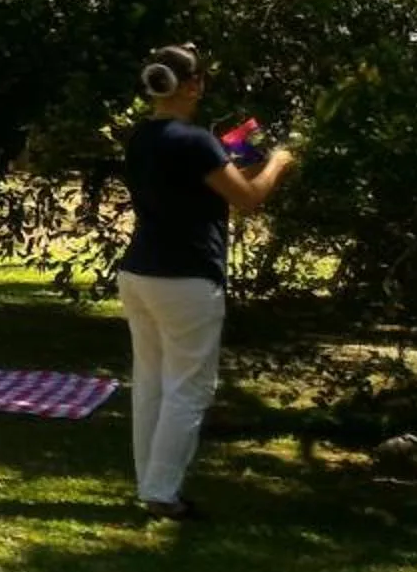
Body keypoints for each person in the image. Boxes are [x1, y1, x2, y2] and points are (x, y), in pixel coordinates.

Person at [118, 44, 296, 519]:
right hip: (186, 277)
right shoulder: (196, 141)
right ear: (192, 85)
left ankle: (151, 483)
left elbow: (220, 181)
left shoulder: (143, 137)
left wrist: (241, 154)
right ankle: (161, 493)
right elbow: (249, 198)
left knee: (152, 382)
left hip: (139, 272)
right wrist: (278, 161)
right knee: (189, 388)